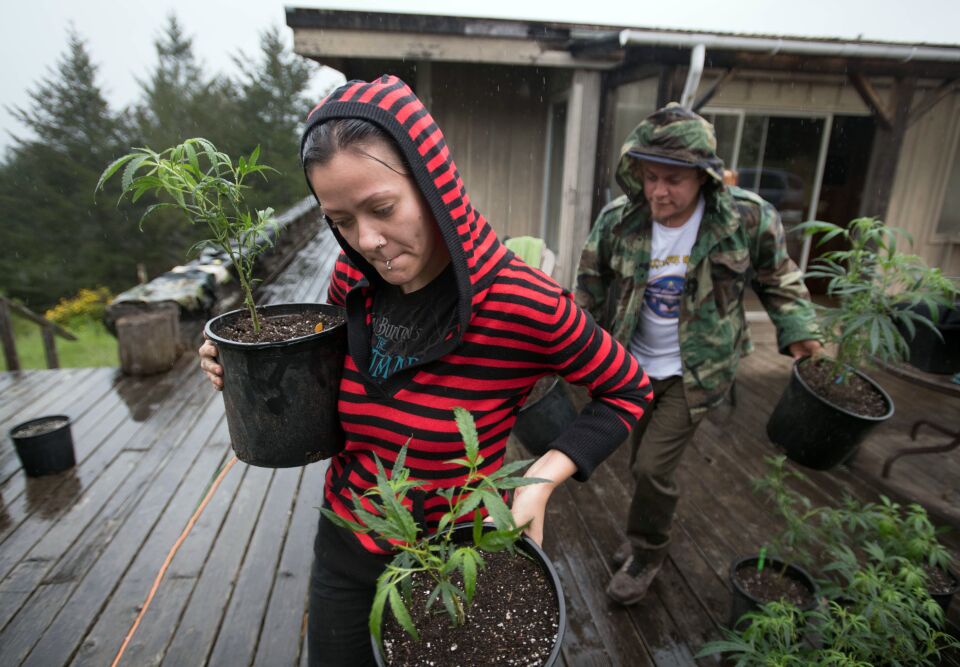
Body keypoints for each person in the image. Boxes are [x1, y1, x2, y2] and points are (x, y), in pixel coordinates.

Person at [199, 75, 652, 666]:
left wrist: (541, 480)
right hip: (348, 540)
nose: (368, 241)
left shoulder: (522, 302)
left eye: (382, 208)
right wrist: (249, 373)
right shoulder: (351, 281)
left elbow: (626, 389)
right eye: (340, 219)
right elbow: (333, 386)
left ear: (434, 183)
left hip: (451, 562)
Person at [575, 103, 822, 606]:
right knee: (640, 462)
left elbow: (780, 278)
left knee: (651, 469)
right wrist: (565, 348)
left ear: (704, 179)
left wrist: (801, 334)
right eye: (650, 177)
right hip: (630, 367)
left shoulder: (747, 218)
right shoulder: (619, 220)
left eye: (673, 180)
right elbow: (588, 286)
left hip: (698, 370)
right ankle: (644, 529)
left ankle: (647, 552)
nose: (659, 192)